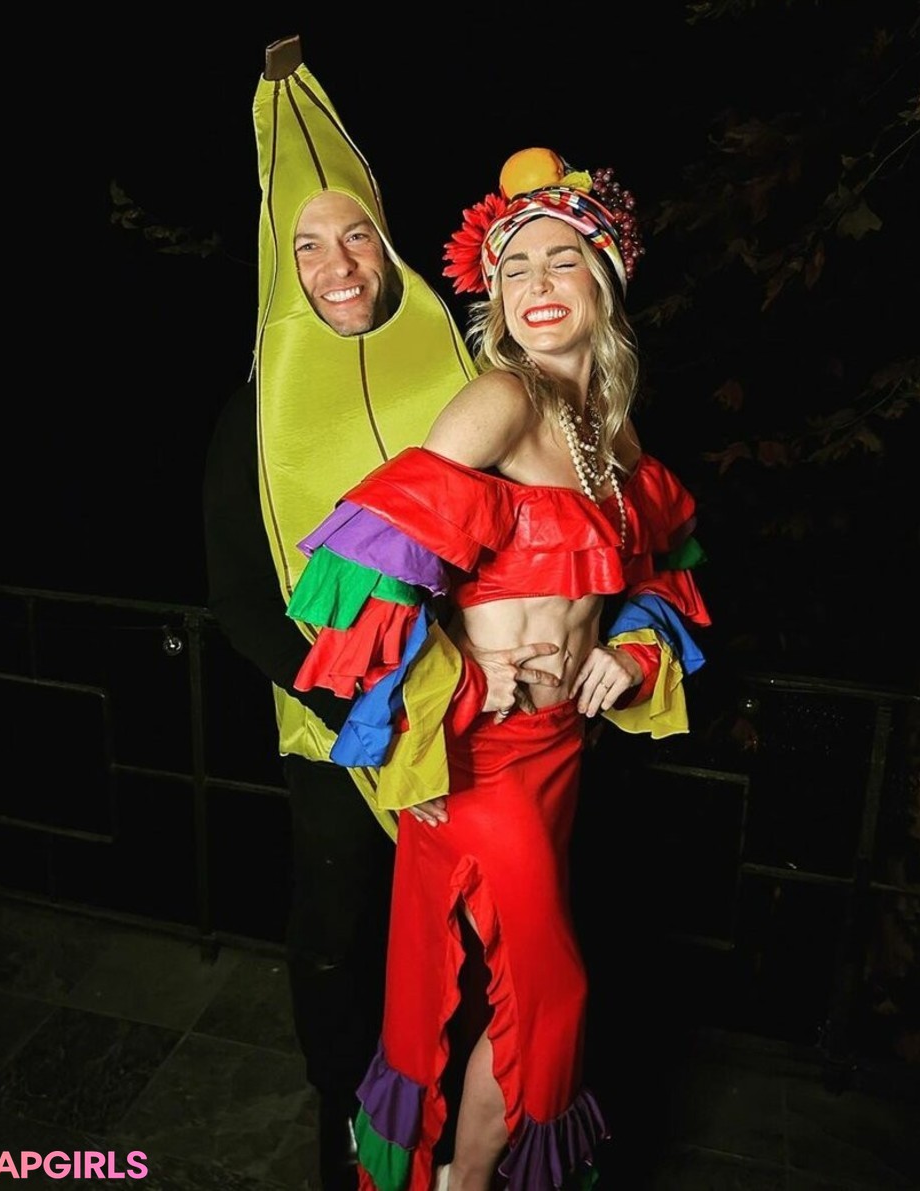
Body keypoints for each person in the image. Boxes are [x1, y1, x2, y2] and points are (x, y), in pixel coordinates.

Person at [286, 147, 711, 1188]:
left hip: (560, 753)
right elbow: (370, 570)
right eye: (515, 268)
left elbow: (664, 573)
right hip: (478, 761)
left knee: (508, 988)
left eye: (561, 261)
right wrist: (454, 695)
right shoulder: (501, 402)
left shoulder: (612, 429)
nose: (535, 284)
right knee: (553, 994)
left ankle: (451, 1177)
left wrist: (629, 650)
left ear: (602, 283)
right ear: (496, 301)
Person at [202, 38, 548, 1190]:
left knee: (468, 946)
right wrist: (351, 701)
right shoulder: (254, 412)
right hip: (330, 731)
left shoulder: (467, 373)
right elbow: (238, 596)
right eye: (306, 244)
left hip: (476, 723)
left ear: (386, 239)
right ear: (279, 264)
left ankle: (456, 1143)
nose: (336, 265)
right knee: (338, 938)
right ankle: (345, 1124)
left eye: (353, 234)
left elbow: (534, 528)